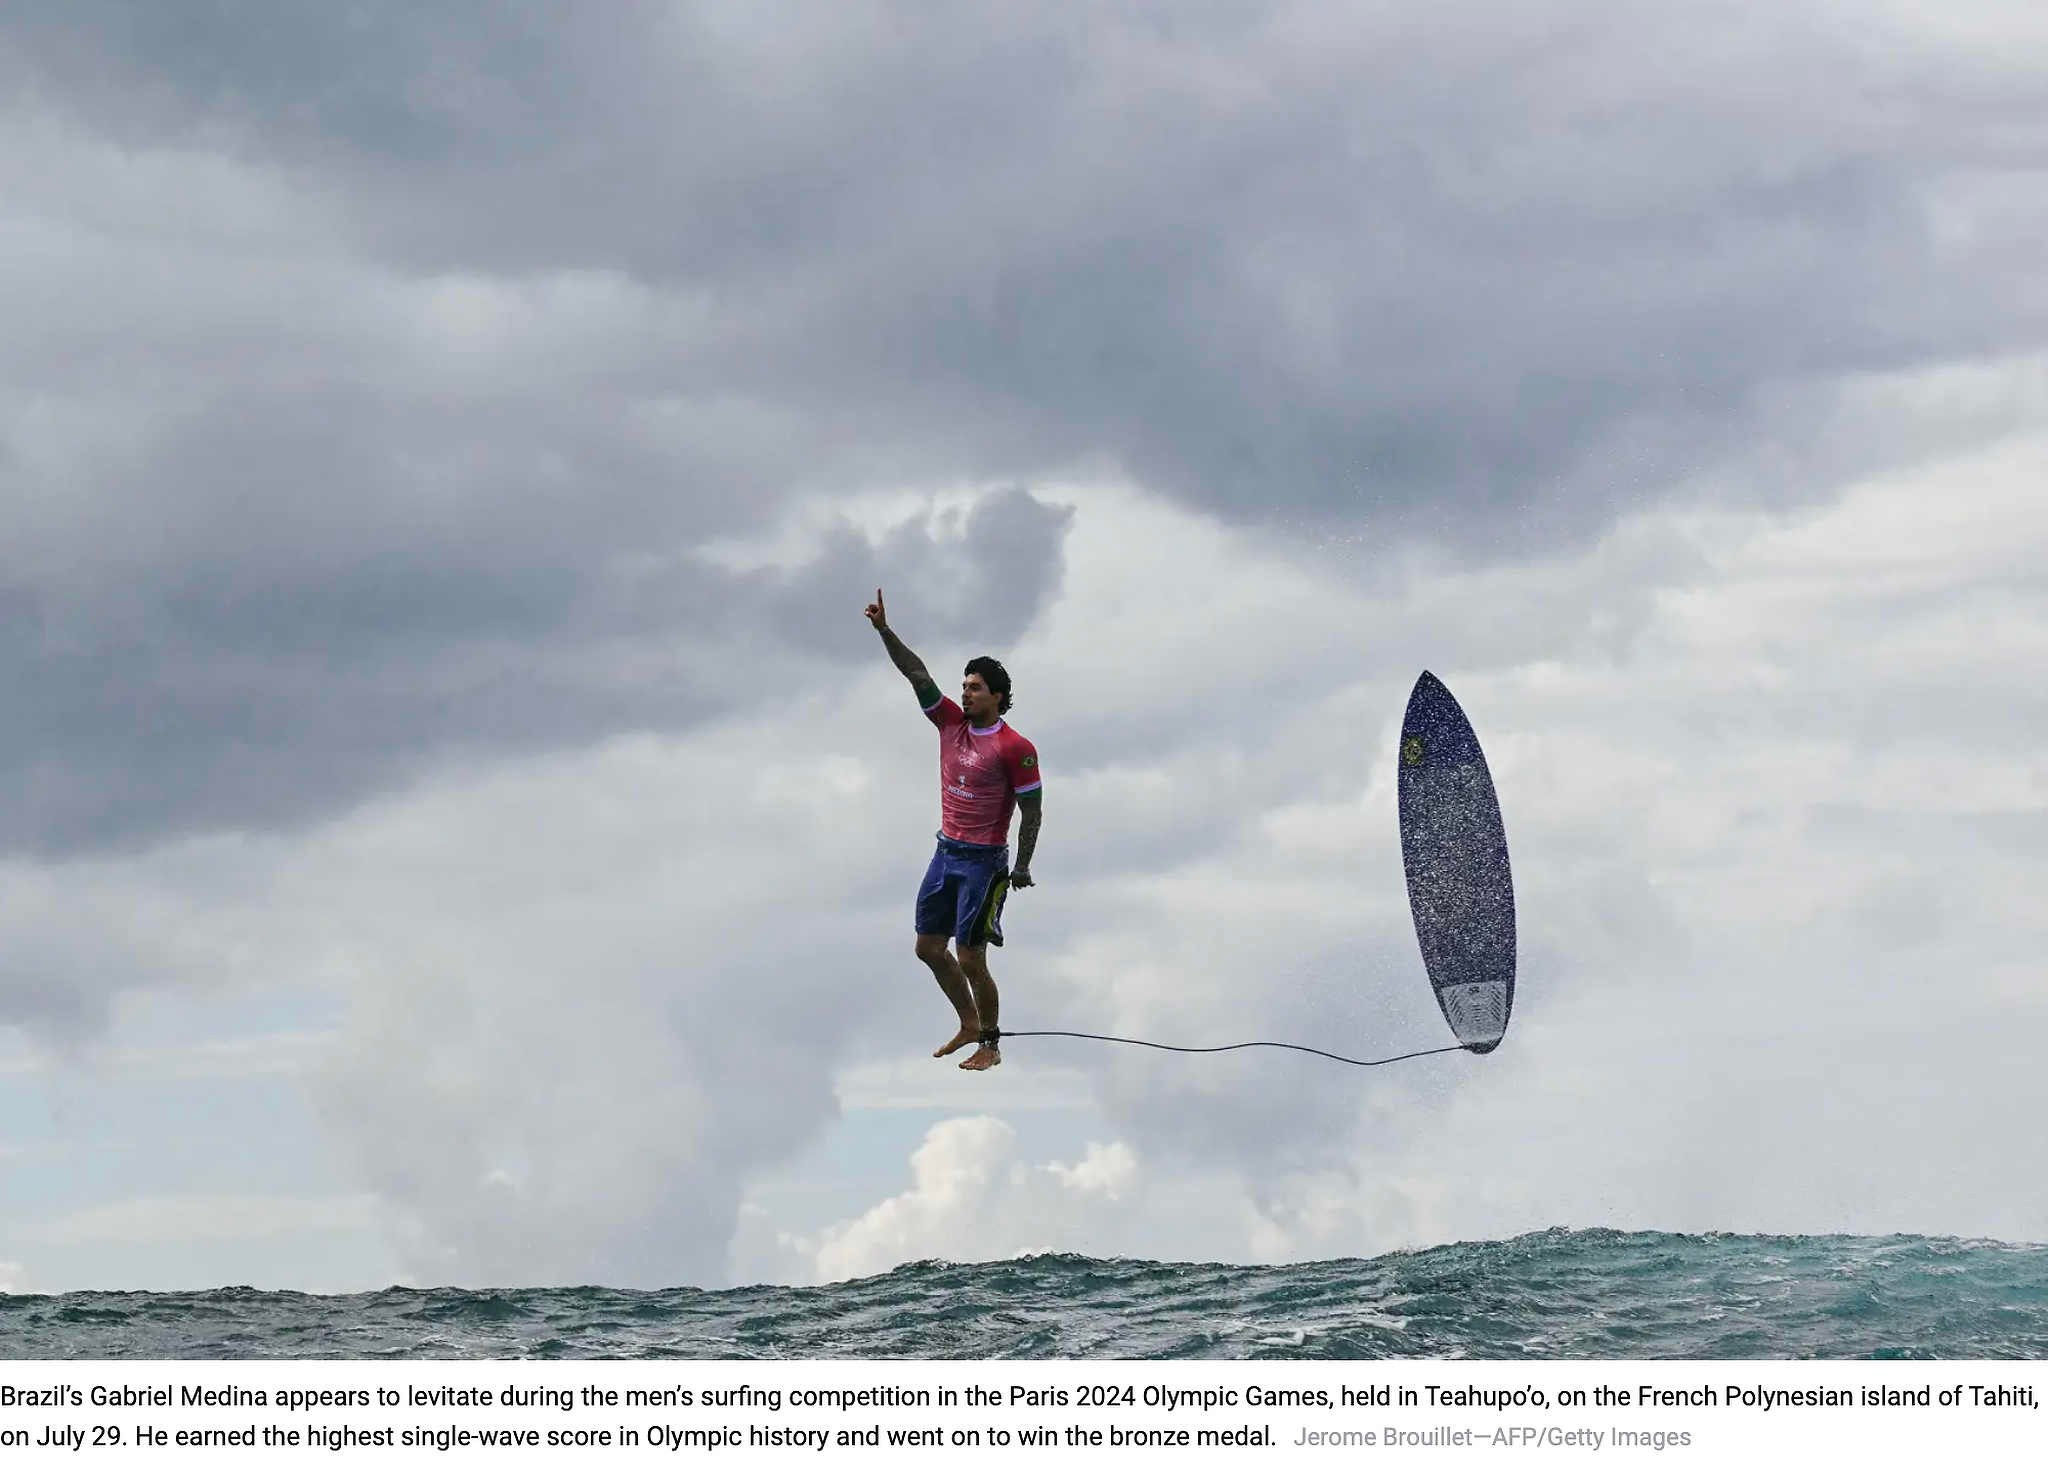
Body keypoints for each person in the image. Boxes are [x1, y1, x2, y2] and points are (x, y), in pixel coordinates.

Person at [864, 588, 1041, 1071]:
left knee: (971, 958)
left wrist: (1022, 866)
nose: (965, 693)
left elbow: (1032, 811)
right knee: (928, 948)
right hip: (946, 853)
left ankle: (991, 1044)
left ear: (997, 696)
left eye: (975, 687)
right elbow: (917, 674)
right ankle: (968, 1023)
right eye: (964, 686)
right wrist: (884, 631)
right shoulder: (949, 724)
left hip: (984, 862)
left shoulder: (1015, 747)